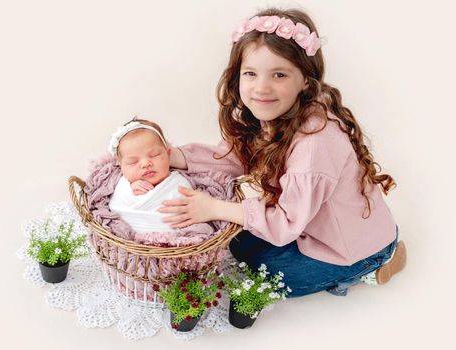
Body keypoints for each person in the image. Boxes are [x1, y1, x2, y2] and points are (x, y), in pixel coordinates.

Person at [159, 8, 406, 297]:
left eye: (279, 74)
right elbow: (238, 157)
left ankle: (371, 266)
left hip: (348, 247)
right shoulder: (277, 113)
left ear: (305, 80)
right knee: (236, 245)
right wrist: (179, 157)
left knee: (263, 274)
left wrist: (213, 207)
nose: (261, 88)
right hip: (308, 224)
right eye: (250, 73)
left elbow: (286, 224)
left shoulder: (315, 145)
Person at [108, 118, 193, 233]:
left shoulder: (179, 183)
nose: (145, 164)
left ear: (168, 155)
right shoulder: (123, 185)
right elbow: (116, 208)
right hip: (131, 242)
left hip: (176, 243)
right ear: (121, 167)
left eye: (154, 155)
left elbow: (191, 211)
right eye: (133, 162)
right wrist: (130, 189)